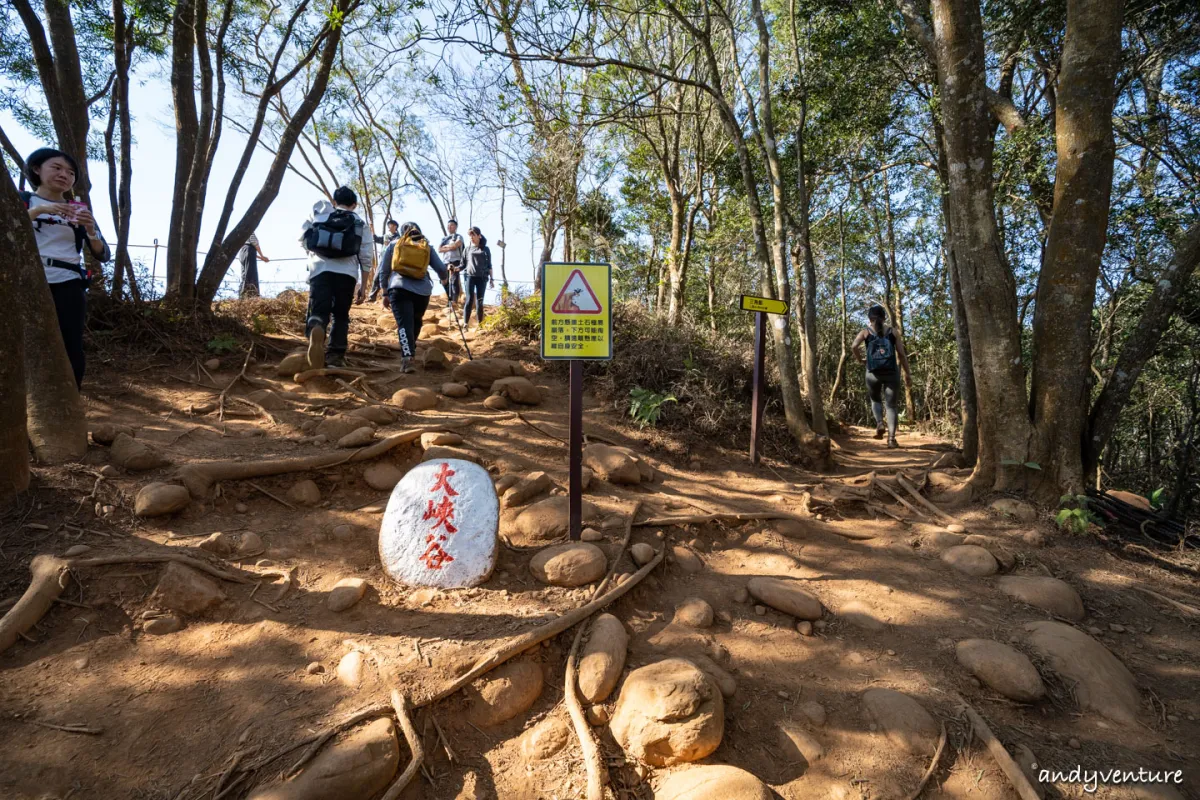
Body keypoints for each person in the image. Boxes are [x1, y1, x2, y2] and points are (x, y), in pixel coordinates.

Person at [21, 147, 110, 389]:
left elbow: (103, 255)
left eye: (71, 173)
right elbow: (10, 226)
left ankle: (71, 400)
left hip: (68, 281)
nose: (64, 175)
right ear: (37, 169)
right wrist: (39, 211)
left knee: (70, 343)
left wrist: (91, 231)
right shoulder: (23, 201)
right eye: (57, 168)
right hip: (27, 279)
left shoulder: (78, 210)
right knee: (22, 342)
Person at [299, 186, 374, 369]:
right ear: (354, 205)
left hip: (319, 270)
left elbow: (302, 238)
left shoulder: (320, 215)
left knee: (319, 310)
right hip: (346, 274)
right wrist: (363, 286)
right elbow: (366, 257)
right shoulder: (358, 222)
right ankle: (335, 356)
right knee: (341, 315)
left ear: (335, 202)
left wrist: (313, 255)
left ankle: (316, 327)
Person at [378, 222, 449, 373]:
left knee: (404, 324)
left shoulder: (394, 244)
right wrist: (444, 280)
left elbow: (383, 270)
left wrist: (384, 292)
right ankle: (411, 350)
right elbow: (442, 269)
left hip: (399, 288)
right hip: (422, 292)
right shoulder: (426, 246)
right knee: (416, 322)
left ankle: (407, 357)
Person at [851, 304, 912, 449]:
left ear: (869, 318)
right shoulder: (893, 332)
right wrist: (908, 373)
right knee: (891, 406)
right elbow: (902, 355)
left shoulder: (866, 332)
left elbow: (854, 346)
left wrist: (861, 360)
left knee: (875, 400)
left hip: (872, 373)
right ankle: (891, 440)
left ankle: (879, 423)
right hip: (891, 373)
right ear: (884, 317)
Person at [461, 226, 494, 327]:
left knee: (480, 301)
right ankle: (465, 323)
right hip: (469, 276)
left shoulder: (486, 249)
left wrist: (492, 279)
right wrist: (454, 268)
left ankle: (480, 324)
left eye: (473, 235)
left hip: (482, 277)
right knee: (469, 299)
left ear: (479, 236)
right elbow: (462, 264)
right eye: (470, 235)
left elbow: (489, 265)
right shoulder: (467, 249)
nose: (471, 237)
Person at [368, 220, 400, 302]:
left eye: (391, 225)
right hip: (383, 260)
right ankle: (372, 297)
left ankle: (391, 298)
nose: (389, 227)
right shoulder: (386, 236)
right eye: (388, 225)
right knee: (377, 277)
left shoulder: (399, 238)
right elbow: (376, 239)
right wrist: (372, 228)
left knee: (393, 279)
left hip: (394, 261)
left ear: (395, 227)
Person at [438, 219, 464, 307]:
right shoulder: (444, 238)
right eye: (448, 225)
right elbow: (439, 249)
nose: (449, 227)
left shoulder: (458, 236)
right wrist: (450, 247)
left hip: (456, 261)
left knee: (454, 281)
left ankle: (454, 301)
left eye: (452, 225)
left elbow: (456, 245)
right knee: (444, 280)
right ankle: (450, 300)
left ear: (456, 227)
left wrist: (446, 247)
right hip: (445, 261)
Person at [237, 231, 270, 298]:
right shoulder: (250, 230)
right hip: (249, 250)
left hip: (242, 253)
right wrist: (262, 256)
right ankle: (251, 295)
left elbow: (246, 250)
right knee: (251, 274)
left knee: (244, 275)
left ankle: (243, 295)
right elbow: (254, 243)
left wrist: (260, 257)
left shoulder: (241, 233)